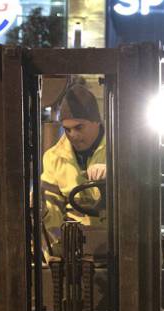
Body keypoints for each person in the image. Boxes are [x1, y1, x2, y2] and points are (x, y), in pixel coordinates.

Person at [40, 84, 107, 249]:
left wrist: (115, 173)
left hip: (115, 242)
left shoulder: (119, 152)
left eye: (79, 127)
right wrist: (54, 253)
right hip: (73, 246)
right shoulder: (53, 158)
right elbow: (52, 211)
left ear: (96, 121)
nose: (73, 135)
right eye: (67, 129)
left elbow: (137, 191)